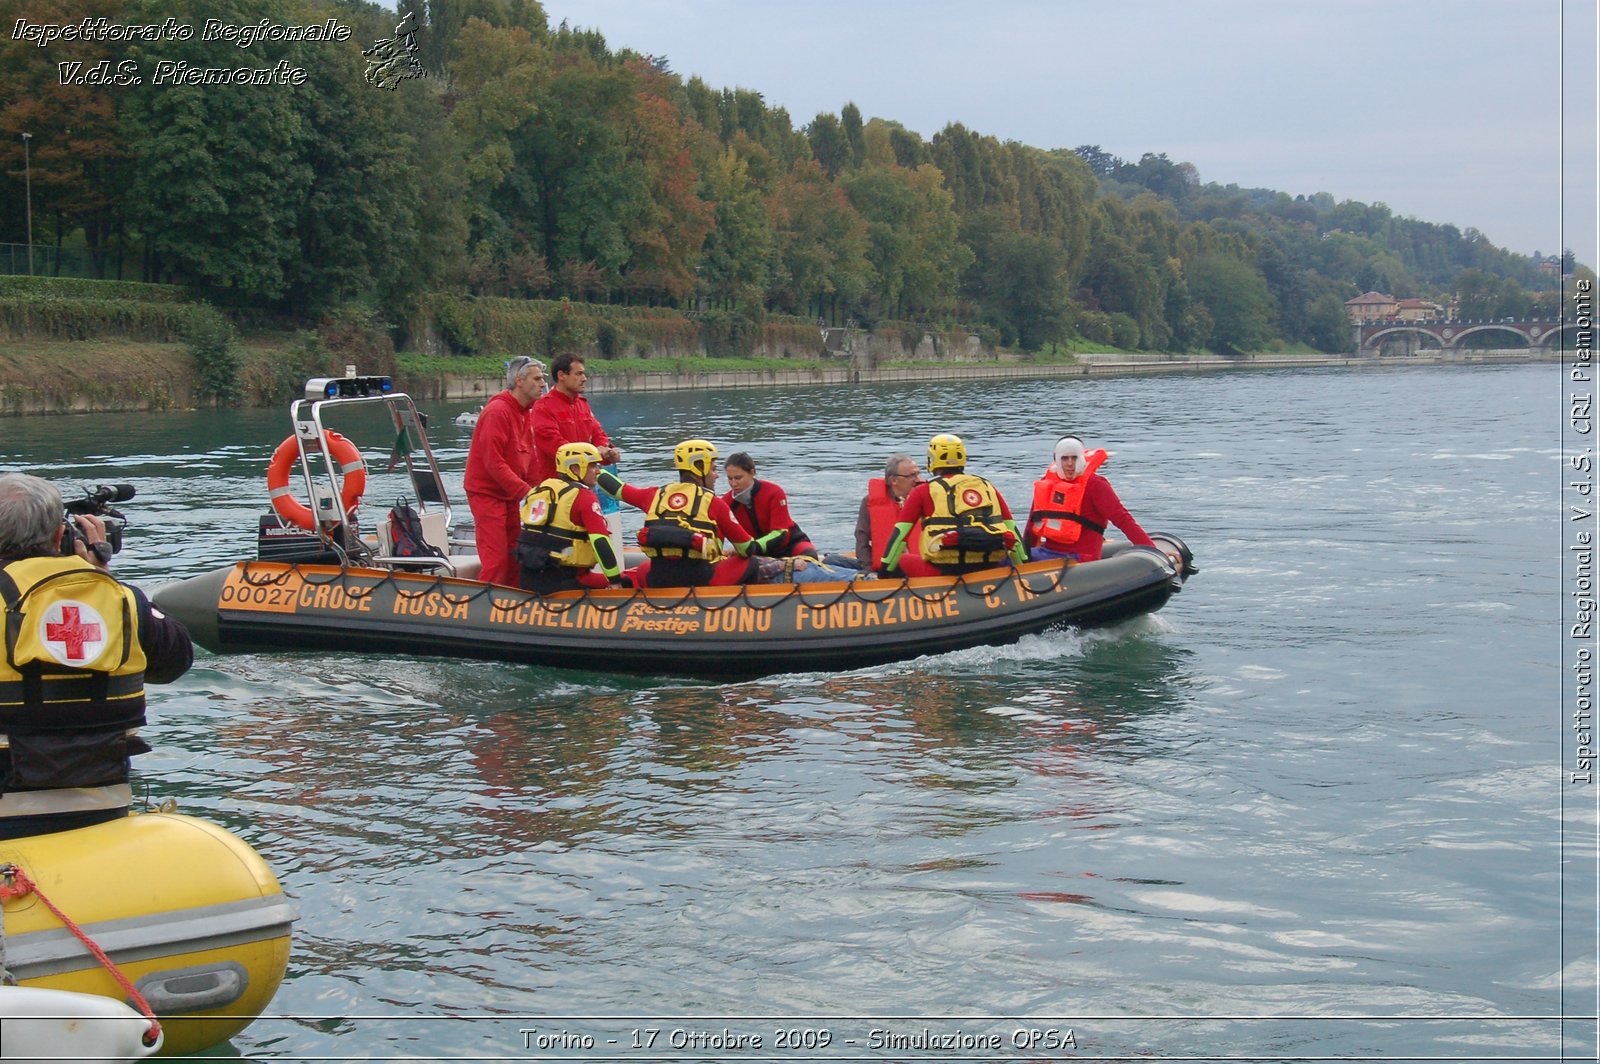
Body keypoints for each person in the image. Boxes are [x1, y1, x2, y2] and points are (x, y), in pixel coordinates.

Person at [0, 473, 193, 839]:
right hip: (104, 804)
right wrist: (100, 578)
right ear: (60, 537)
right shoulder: (123, 599)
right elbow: (175, 662)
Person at [599, 439, 755, 589]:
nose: (716, 475)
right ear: (699, 467)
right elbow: (746, 548)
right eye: (713, 469)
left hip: (658, 579)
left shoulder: (654, 495)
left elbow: (616, 489)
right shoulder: (714, 503)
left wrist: (592, 466)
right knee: (751, 563)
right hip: (701, 580)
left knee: (643, 569)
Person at [882, 433, 1028, 577]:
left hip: (943, 571)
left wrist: (882, 574)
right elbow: (1012, 532)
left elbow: (899, 537)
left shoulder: (923, 491)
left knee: (901, 560)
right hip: (987, 566)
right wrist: (1025, 571)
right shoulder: (987, 486)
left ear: (932, 459)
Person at [464, 356, 545, 586]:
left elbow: (530, 459)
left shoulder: (525, 412)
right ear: (519, 381)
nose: (542, 383)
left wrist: (543, 491)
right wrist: (527, 493)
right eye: (537, 378)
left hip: (509, 495)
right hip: (487, 494)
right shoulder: (498, 412)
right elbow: (494, 463)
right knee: (497, 559)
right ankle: (487, 608)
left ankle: (512, 601)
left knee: (514, 555)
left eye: (543, 378)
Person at [1024, 435, 1157, 564]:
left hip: (1081, 559)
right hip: (1048, 552)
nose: (1070, 463)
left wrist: (1153, 551)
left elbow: (1123, 519)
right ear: (1057, 460)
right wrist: (1025, 556)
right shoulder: (1046, 484)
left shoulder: (1096, 485)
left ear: (1082, 458)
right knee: (1004, 561)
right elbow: (1032, 525)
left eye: (1074, 458)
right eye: (1065, 459)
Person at [515, 443, 624, 594]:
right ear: (575, 468)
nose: (598, 471)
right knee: (629, 581)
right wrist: (615, 580)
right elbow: (600, 542)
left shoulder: (539, 490)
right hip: (567, 581)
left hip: (528, 578)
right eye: (592, 466)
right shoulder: (584, 497)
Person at [530, 354, 620, 484]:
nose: (584, 379)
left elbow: (598, 433)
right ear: (561, 375)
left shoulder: (582, 404)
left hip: (584, 486)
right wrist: (596, 453)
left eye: (583, 374)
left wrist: (607, 450)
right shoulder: (543, 407)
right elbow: (557, 448)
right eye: (578, 374)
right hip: (557, 489)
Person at [721, 452, 818, 559]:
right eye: (730, 479)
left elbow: (780, 533)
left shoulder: (773, 492)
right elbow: (718, 533)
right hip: (756, 553)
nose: (734, 484)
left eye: (738, 478)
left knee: (810, 557)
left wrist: (752, 547)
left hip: (790, 545)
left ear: (752, 473)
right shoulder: (726, 502)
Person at [853, 452, 936, 574]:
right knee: (833, 561)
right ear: (894, 480)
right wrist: (869, 571)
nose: (918, 480)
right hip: (884, 568)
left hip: (919, 564)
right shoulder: (869, 502)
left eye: (918, 473)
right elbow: (862, 540)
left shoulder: (926, 499)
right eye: (912, 475)